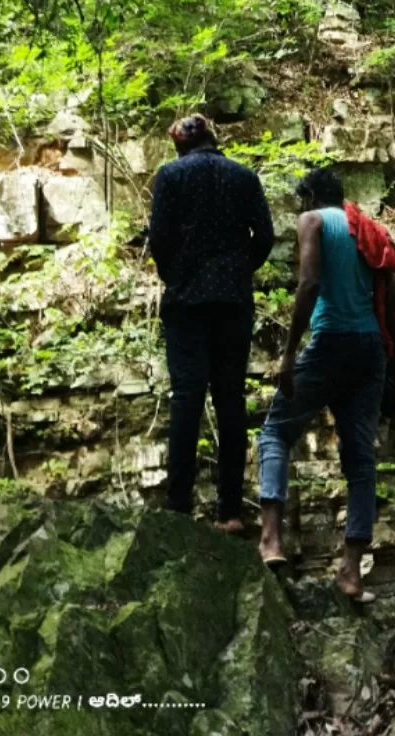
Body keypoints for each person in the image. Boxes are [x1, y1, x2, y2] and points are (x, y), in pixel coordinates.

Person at [257, 167, 395, 599]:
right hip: (370, 350)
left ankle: (270, 541)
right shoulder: (371, 230)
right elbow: (392, 299)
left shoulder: (314, 221)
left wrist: (288, 352)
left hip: (330, 343)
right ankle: (351, 572)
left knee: (276, 433)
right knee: (360, 461)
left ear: (311, 197)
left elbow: (309, 282)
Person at [148, 113, 275, 533]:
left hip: (186, 300)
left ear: (181, 145)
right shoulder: (243, 177)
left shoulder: (170, 176)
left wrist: (176, 274)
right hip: (233, 300)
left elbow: (159, 238)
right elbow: (266, 235)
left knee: (186, 397)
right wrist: (239, 269)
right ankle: (230, 511)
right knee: (230, 400)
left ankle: (179, 505)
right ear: (214, 140)